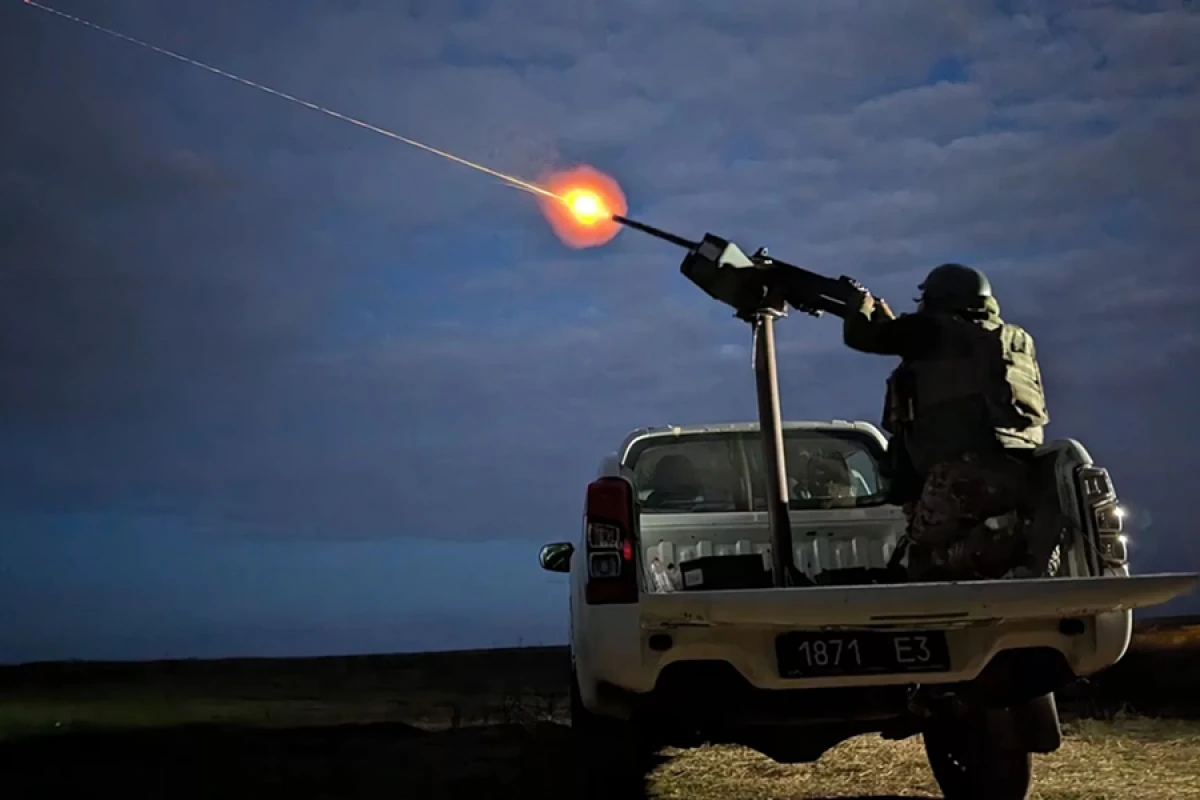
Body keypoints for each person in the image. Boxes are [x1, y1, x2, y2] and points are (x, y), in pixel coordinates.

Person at [842, 263, 1051, 580]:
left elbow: (862, 336)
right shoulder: (1005, 338)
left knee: (927, 565)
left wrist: (858, 306)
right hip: (1018, 469)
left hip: (959, 474)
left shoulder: (932, 329)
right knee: (975, 550)